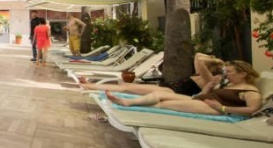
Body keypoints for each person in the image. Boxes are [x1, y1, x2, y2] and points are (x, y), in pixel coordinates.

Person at [106, 60, 262, 118]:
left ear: (243, 74)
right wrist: (209, 86)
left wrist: (221, 108)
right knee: (159, 93)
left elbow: (252, 110)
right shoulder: (229, 85)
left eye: (230, 72)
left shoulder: (250, 91)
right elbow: (203, 94)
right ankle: (127, 102)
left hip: (213, 108)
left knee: (164, 104)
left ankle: (128, 105)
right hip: (200, 99)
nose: (226, 75)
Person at [82, 52, 224, 95]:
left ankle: (90, 86)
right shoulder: (201, 75)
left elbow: (198, 57)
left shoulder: (208, 79)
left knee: (126, 88)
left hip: (171, 92)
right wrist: (215, 60)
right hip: (167, 88)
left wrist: (215, 61)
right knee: (126, 87)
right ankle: (90, 86)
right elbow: (198, 57)